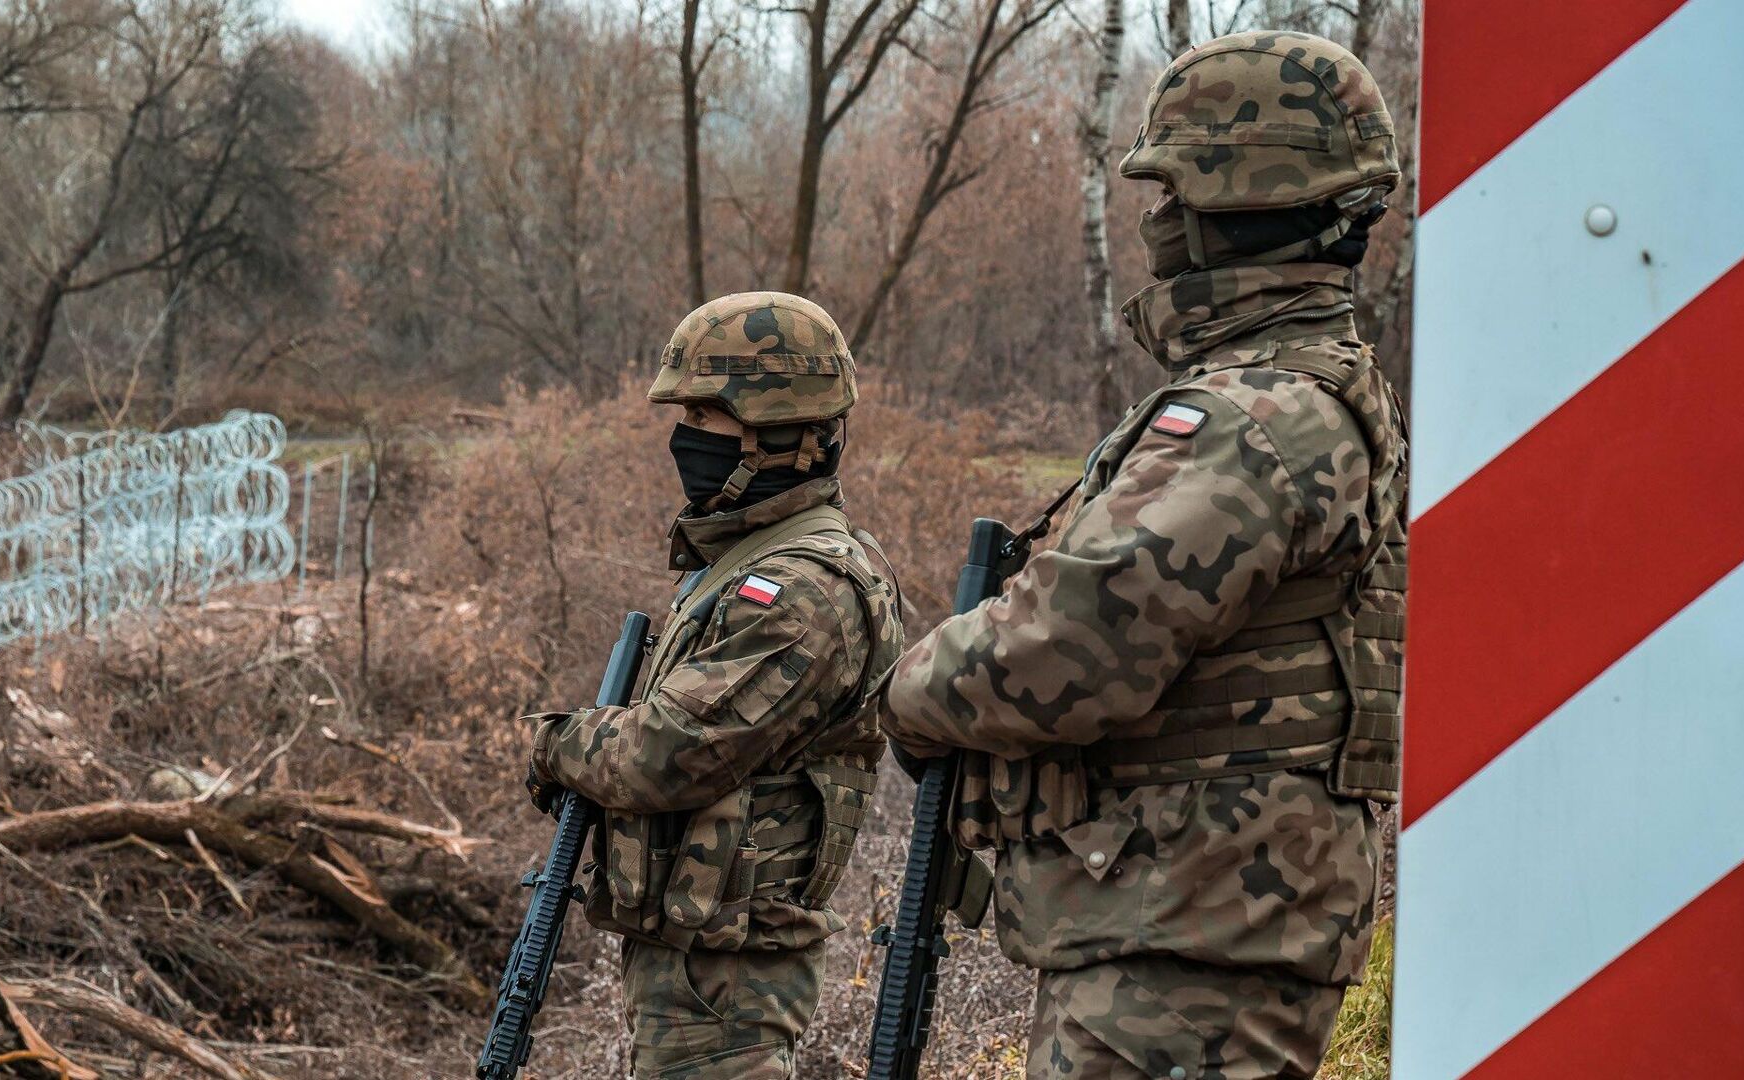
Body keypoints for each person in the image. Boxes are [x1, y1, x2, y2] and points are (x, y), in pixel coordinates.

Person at [878, 31, 1408, 1079]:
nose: (1156, 218)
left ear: (1237, 202)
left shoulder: (1252, 417)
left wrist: (908, 693)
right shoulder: (1304, 385)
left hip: (1193, 931)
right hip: (1191, 918)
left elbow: (1067, 648)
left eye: (1172, 191)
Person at [526, 291, 905, 1079]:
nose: (685, 439)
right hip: (698, 965)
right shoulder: (745, 562)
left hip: (729, 982)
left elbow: (669, 753)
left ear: (777, 433)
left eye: (705, 417)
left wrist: (554, 743)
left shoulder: (803, 591)